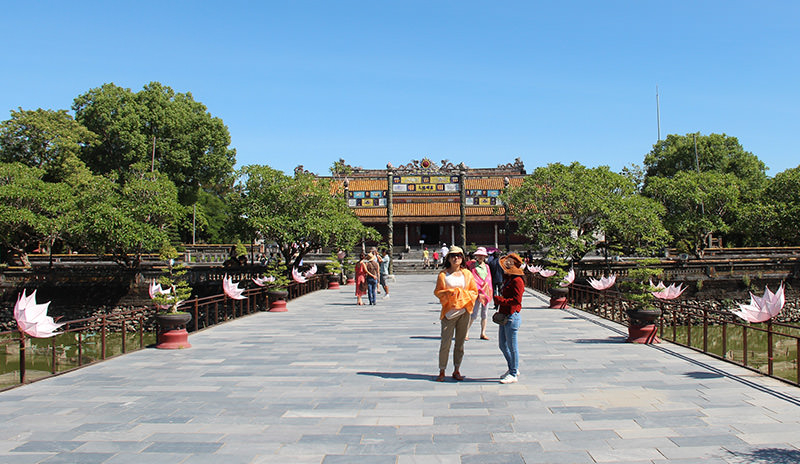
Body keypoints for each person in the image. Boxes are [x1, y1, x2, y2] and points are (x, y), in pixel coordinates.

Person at [433, 246, 478, 382]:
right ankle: (442, 370)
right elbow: (438, 292)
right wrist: (449, 293)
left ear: (462, 258)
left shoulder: (467, 274)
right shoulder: (443, 275)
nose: (456, 258)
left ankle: (457, 369)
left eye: (458, 255)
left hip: (464, 311)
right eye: (453, 256)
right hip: (449, 312)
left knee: (460, 343)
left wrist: (462, 295)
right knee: (445, 343)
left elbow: (474, 292)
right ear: (448, 258)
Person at [494, 252, 525, 384]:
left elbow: (516, 301)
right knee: (502, 345)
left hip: (512, 315)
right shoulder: (508, 279)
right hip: (505, 314)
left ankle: (513, 372)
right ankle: (512, 367)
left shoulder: (517, 281)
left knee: (512, 346)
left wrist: (500, 300)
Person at [467, 247, 493, 341]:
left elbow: (489, 279)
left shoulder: (487, 267)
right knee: (474, 313)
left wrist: (486, 287)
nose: (480, 257)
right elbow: (472, 278)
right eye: (479, 255)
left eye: (482, 255)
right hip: (476, 292)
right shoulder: (472, 266)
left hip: (486, 292)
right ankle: (466, 332)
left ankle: (483, 332)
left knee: (484, 314)